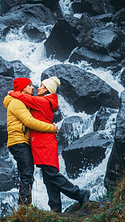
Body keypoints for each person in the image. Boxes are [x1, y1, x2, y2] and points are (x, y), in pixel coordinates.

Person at [8, 76, 90, 213]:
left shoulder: (42, 101)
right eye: (33, 86)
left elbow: (27, 101)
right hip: (41, 143)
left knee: (51, 174)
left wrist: (12, 93)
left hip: (44, 142)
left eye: (41, 86)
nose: (36, 88)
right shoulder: (44, 101)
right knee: (48, 176)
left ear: (47, 89)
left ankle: (80, 194)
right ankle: (56, 208)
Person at [3, 76, 59, 206]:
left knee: (26, 173)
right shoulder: (17, 103)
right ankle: (25, 207)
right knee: (27, 173)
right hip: (19, 142)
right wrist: (51, 128)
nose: (33, 87)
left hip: (22, 141)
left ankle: (24, 205)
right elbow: (29, 122)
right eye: (29, 86)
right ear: (23, 88)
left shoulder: (23, 101)